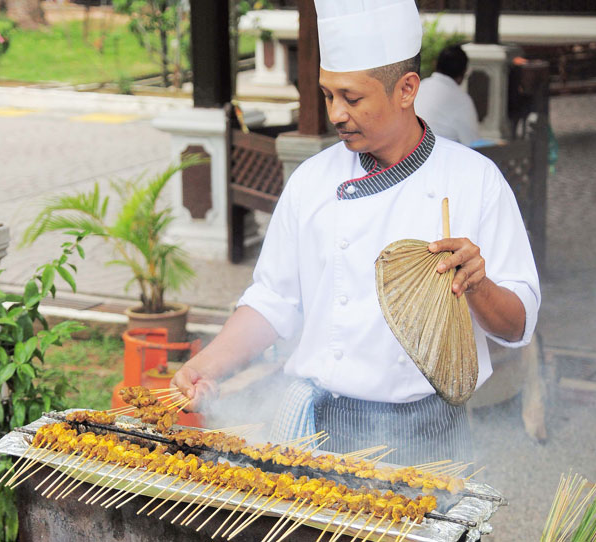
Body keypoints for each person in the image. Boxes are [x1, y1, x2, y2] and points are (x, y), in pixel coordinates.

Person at [172, 0, 540, 467]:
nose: (336, 114)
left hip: (429, 430)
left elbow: (518, 325)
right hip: (322, 425)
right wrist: (208, 365)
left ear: (407, 89)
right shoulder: (312, 180)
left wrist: (478, 284)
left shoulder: (474, 180)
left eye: (352, 97)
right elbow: (274, 301)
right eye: (328, 95)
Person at [415, 44, 480, 146]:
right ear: (463, 73)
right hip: (440, 155)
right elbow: (473, 143)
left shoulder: (418, 88)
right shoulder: (462, 100)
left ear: (435, 64)